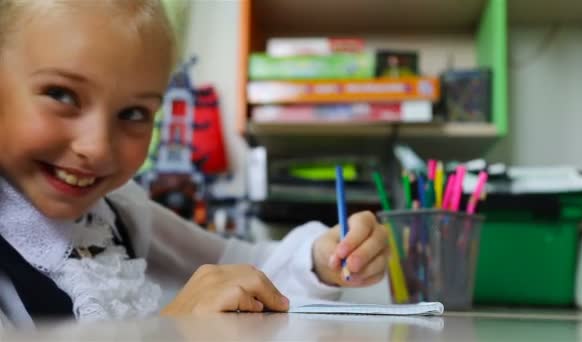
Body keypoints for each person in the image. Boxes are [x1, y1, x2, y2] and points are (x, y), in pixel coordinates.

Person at [0, 0, 389, 327]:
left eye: (134, 113)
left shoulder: (118, 209)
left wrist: (319, 258)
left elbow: (247, 266)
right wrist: (170, 329)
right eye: (61, 95)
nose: (98, 147)